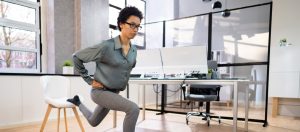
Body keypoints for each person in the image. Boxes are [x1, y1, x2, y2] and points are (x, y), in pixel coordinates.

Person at [67, 6, 143, 132]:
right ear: (121, 24)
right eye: (132, 25)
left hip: (113, 93)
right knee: (133, 109)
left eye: (138, 26)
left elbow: (128, 66)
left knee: (93, 121)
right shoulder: (106, 46)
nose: (135, 30)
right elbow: (76, 57)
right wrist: (89, 80)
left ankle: (77, 102)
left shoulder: (134, 50)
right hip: (100, 92)